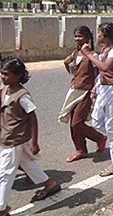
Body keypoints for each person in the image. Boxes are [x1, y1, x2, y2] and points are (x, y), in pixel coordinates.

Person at [0, 57, 61, 215]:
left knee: (5, 174)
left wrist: (34, 142)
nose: (3, 77)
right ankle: (50, 183)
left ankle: (1, 208)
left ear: (18, 75)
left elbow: (32, 118)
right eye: (1, 74)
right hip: (6, 137)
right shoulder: (4, 89)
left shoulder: (22, 96)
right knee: (26, 163)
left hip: (15, 139)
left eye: (6, 74)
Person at [81, 22, 113, 177]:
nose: (97, 36)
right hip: (104, 89)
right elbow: (101, 73)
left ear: (104, 34)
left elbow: (104, 67)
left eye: (98, 33)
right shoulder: (104, 50)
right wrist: (95, 89)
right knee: (97, 121)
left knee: (111, 126)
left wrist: (89, 54)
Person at [59, 26, 106, 163]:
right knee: (72, 122)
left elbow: (98, 74)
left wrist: (94, 92)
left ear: (87, 37)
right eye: (76, 36)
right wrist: (69, 67)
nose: (77, 39)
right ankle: (80, 150)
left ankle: (99, 138)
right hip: (75, 89)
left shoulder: (92, 55)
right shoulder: (75, 54)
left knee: (77, 123)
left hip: (86, 91)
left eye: (80, 36)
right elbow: (68, 64)